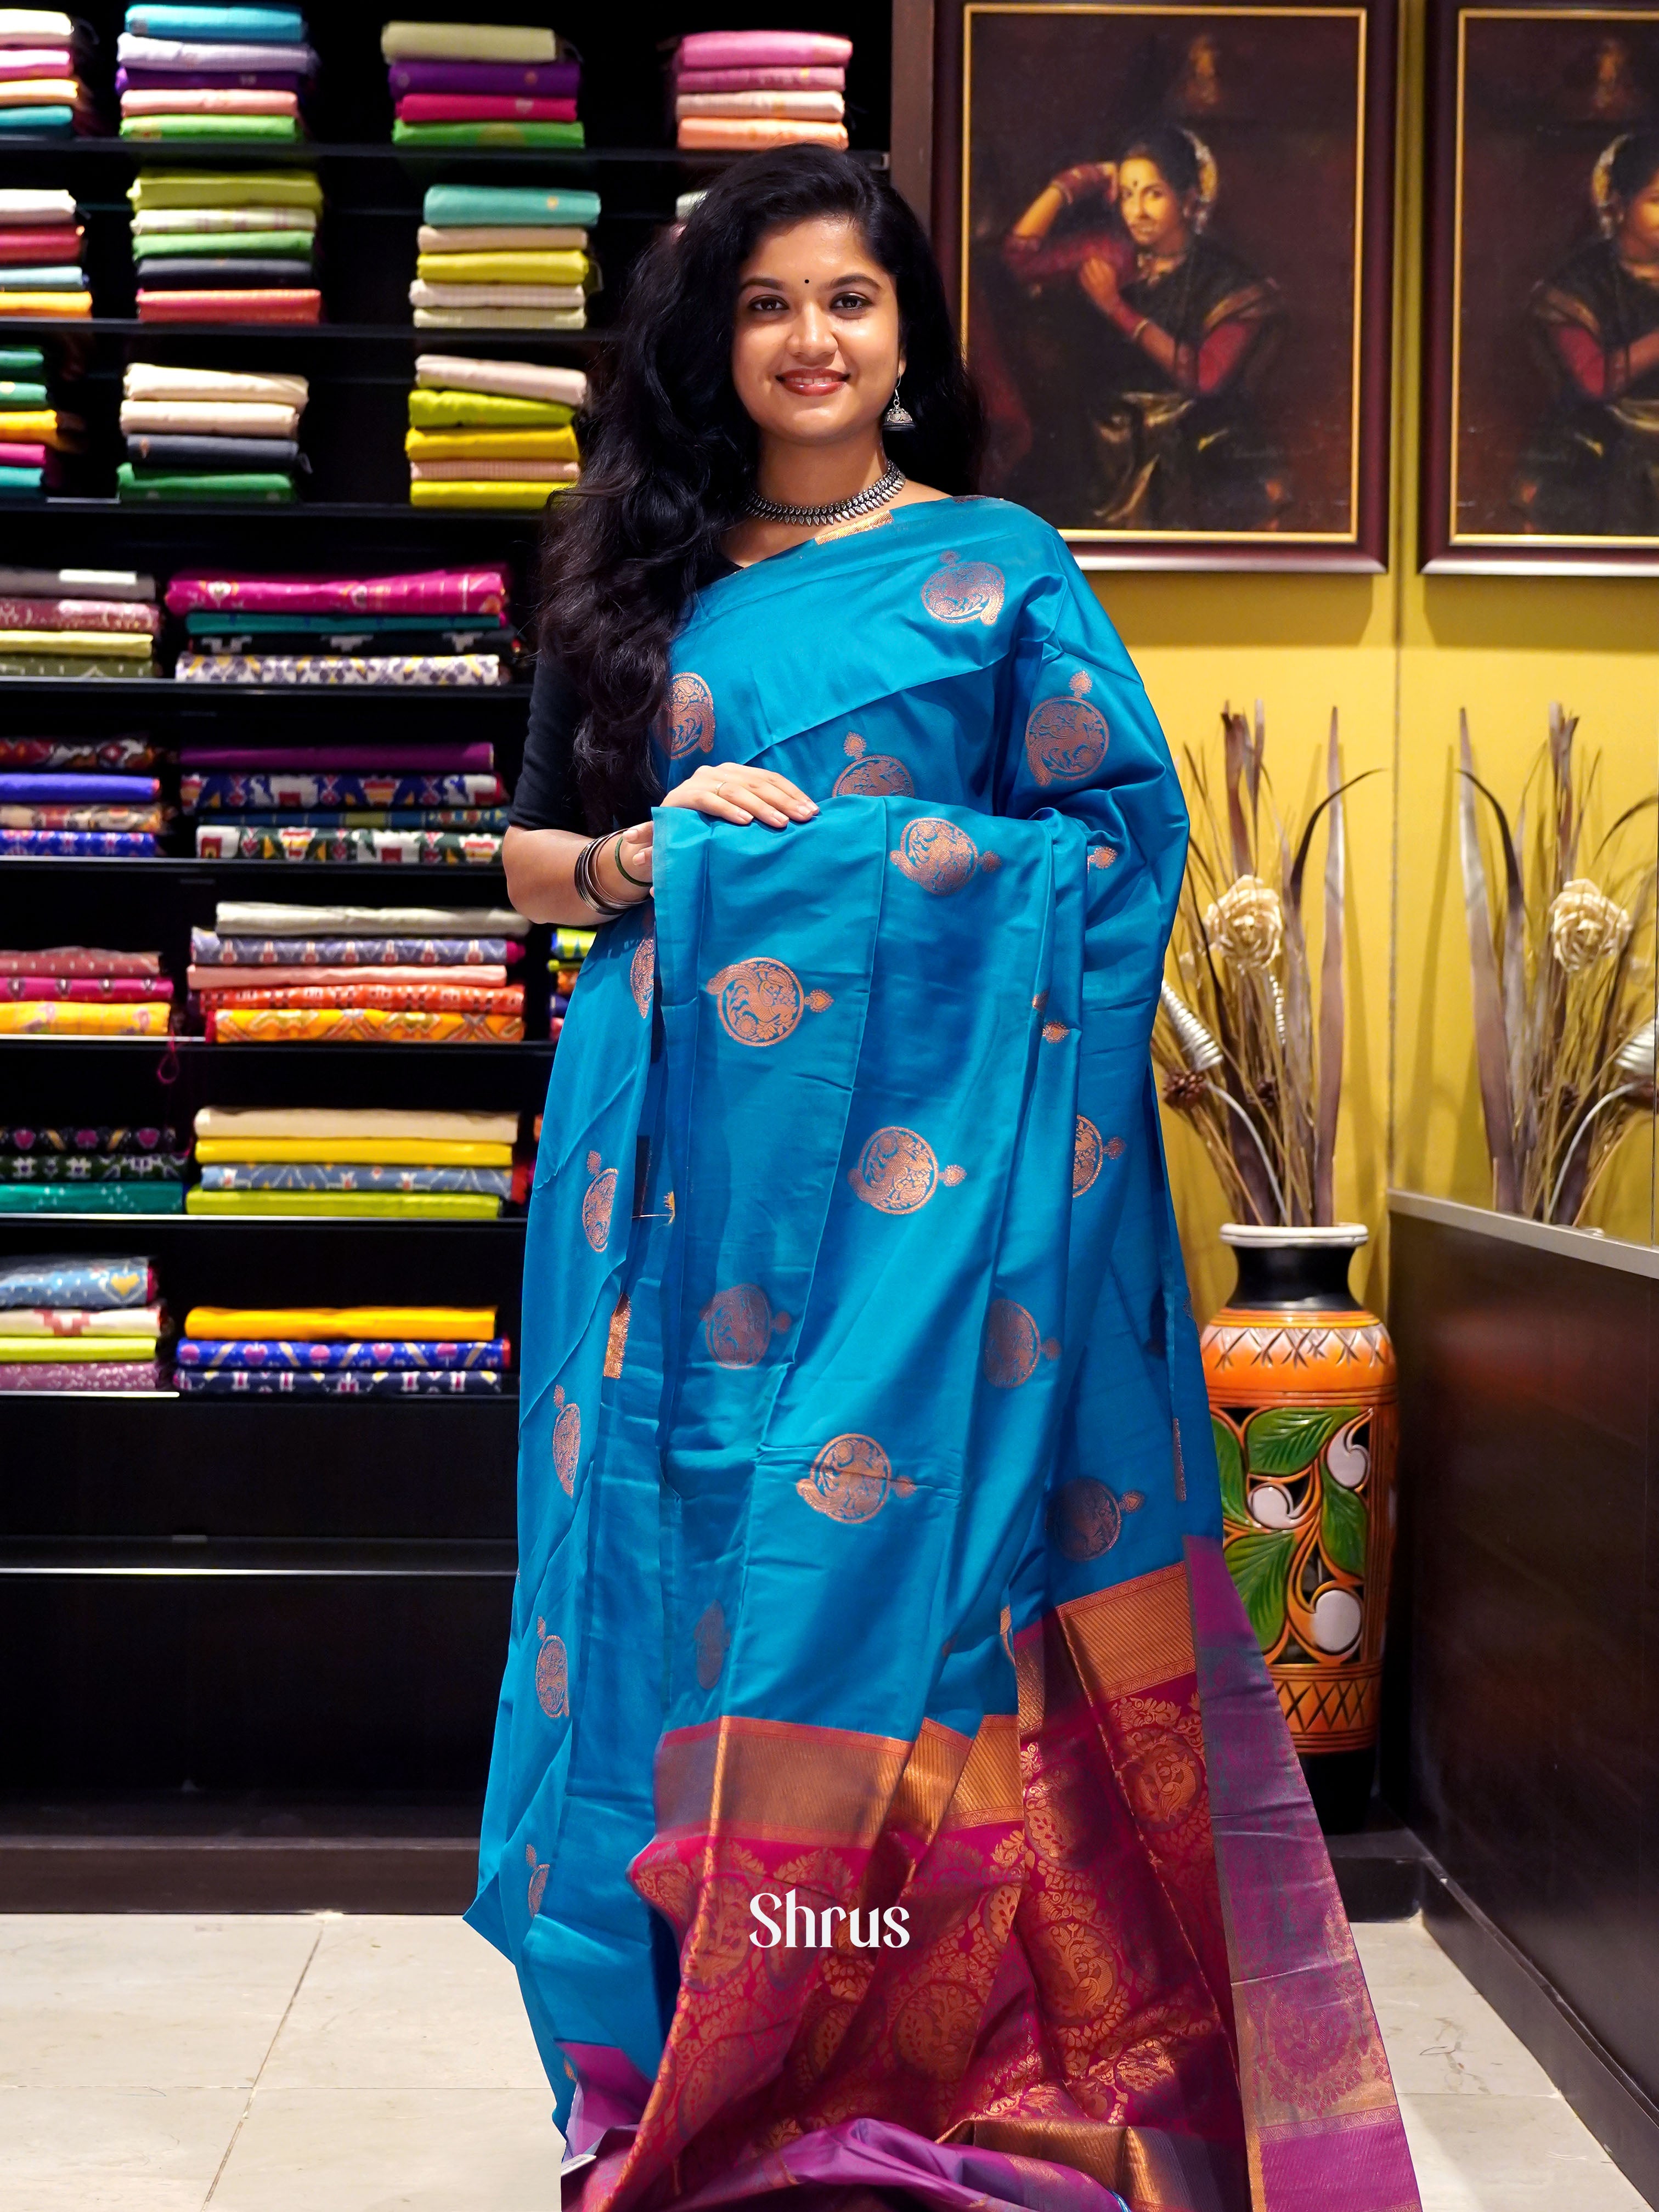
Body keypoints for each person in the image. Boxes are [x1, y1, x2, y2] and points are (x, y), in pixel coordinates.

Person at [476, 145, 1417, 2212]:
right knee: (683, 1562)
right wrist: (647, 854)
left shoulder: (998, 569)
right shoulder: (634, 569)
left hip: (937, 1210)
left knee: (911, 1589)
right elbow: (532, 856)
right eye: (764, 305)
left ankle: (905, 2030)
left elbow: (1116, 847)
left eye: (848, 298)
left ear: (906, 335)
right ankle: (679, 2043)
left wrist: (849, 859)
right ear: (715, 344)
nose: (807, 339)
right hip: (678, 1178)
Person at [1002, 123, 1287, 530]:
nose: (1136, 212)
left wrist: (1116, 308)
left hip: (1188, 445)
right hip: (1103, 444)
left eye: (1153, 194)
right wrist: (1077, 181)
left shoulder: (1230, 282)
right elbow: (1019, 257)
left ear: (1188, 200)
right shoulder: (1113, 253)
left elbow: (1204, 377)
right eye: (1127, 195)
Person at [1515, 128, 1659, 535]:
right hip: (1603, 440)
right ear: (1620, 205)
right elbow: (1595, 381)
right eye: (1657, 201)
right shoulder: (1577, 285)